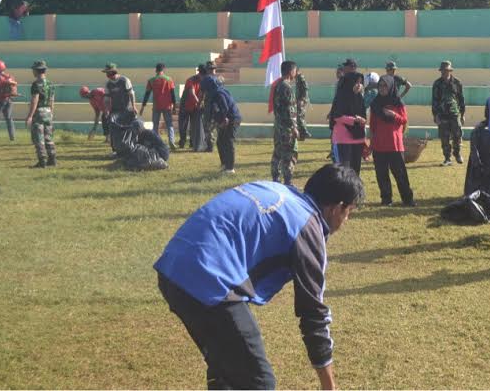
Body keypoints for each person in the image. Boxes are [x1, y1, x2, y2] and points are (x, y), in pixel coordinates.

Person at [154, 164, 364, 390]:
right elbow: (313, 313)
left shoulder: (277, 190)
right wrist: (329, 385)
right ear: (337, 208)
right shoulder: (308, 227)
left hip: (173, 269)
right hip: (208, 281)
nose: (346, 220)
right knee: (259, 382)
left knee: (227, 365)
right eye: (349, 211)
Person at [369, 75, 415, 206]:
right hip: (379, 145)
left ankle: (408, 199)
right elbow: (372, 126)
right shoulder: (375, 104)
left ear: (390, 86)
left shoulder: (397, 102)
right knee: (381, 174)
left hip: (395, 144)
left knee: (400, 174)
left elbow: (404, 120)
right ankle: (386, 199)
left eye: (385, 86)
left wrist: (394, 115)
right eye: (380, 86)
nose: (382, 88)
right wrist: (371, 144)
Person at [201, 76, 241, 174]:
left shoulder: (219, 93)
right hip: (225, 119)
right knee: (220, 142)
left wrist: (223, 120)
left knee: (228, 142)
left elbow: (224, 108)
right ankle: (225, 165)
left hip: (231, 119)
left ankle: (230, 168)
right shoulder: (216, 92)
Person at [330, 72, 367, 174]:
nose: (359, 85)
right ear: (350, 83)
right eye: (356, 82)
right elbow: (337, 116)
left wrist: (363, 120)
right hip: (343, 139)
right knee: (343, 173)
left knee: (355, 173)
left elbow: (364, 116)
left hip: (357, 139)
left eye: (361, 82)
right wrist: (354, 120)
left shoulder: (360, 97)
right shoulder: (341, 96)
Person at [271, 61, 300, 185]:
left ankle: (276, 178)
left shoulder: (277, 85)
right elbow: (290, 110)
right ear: (290, 71)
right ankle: (288, 181)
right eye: (295, 70)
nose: (296, 73)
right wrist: (294, 127)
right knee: (289, 153)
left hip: (278, 126)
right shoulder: (287, 87)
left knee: (278, 152)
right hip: (287, 128)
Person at [432, 61, 465, 166]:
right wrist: (435, 115)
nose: (444, 73)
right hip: (442, 114)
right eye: (443, 71)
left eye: (446, 70)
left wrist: (463, 115)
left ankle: (457, 153)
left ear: (450, 71)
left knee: (457, 135)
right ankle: (447, 158)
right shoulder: (437, 84)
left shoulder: (457, 83)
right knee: (444, 137)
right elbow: (434, 101)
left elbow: (461, 100)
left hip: (455, 113)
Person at [24, 60, 57, 168]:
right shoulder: (50, 84)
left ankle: (42, 160)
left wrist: (30, 116)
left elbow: (35, 100)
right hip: (48, 111)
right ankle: (52, 159)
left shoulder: (36, 84)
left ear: (36, 71)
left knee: (39, 138)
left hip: (39, 112)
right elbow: (52, 100)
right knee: (49, 137)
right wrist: (51, 113)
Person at [140, 63, 178, 149]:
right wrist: (174, 105)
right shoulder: (169, 79)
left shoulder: (151, 80)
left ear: (156, 70)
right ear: (163, 70)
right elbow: (172, 94)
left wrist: (143, 106)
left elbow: (147, 94)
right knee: (169, 125)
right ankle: (171, 141)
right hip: (167, 105)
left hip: (157, 105)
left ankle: (155, 142)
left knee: (155, 125)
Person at [179, 66, 203, 150]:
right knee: (183, 126)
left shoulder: (203, 81)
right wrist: (199, 102)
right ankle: (182, 141)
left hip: (194, 107)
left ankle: (192, 143)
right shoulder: (191, 80)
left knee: (194, 126)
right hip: (185, 106)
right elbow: (192, 93)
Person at [200, 62, 221, 153]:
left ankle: (210, 146)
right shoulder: (219, 79)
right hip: (219, 105)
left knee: (207, 127)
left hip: (209, 106)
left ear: (207, 70)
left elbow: (202, 93)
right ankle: (221, 144)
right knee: (219, 126)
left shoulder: (205, 79)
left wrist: (199, 102)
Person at [295, 70, 311, 141]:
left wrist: (302, 99)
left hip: (301, 101)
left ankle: (305, 131)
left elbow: (305, 89)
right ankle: (302, 135)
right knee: (300, 117)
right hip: (299, 100)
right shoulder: (298, 79)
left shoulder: (301, 78)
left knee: (299, 116)